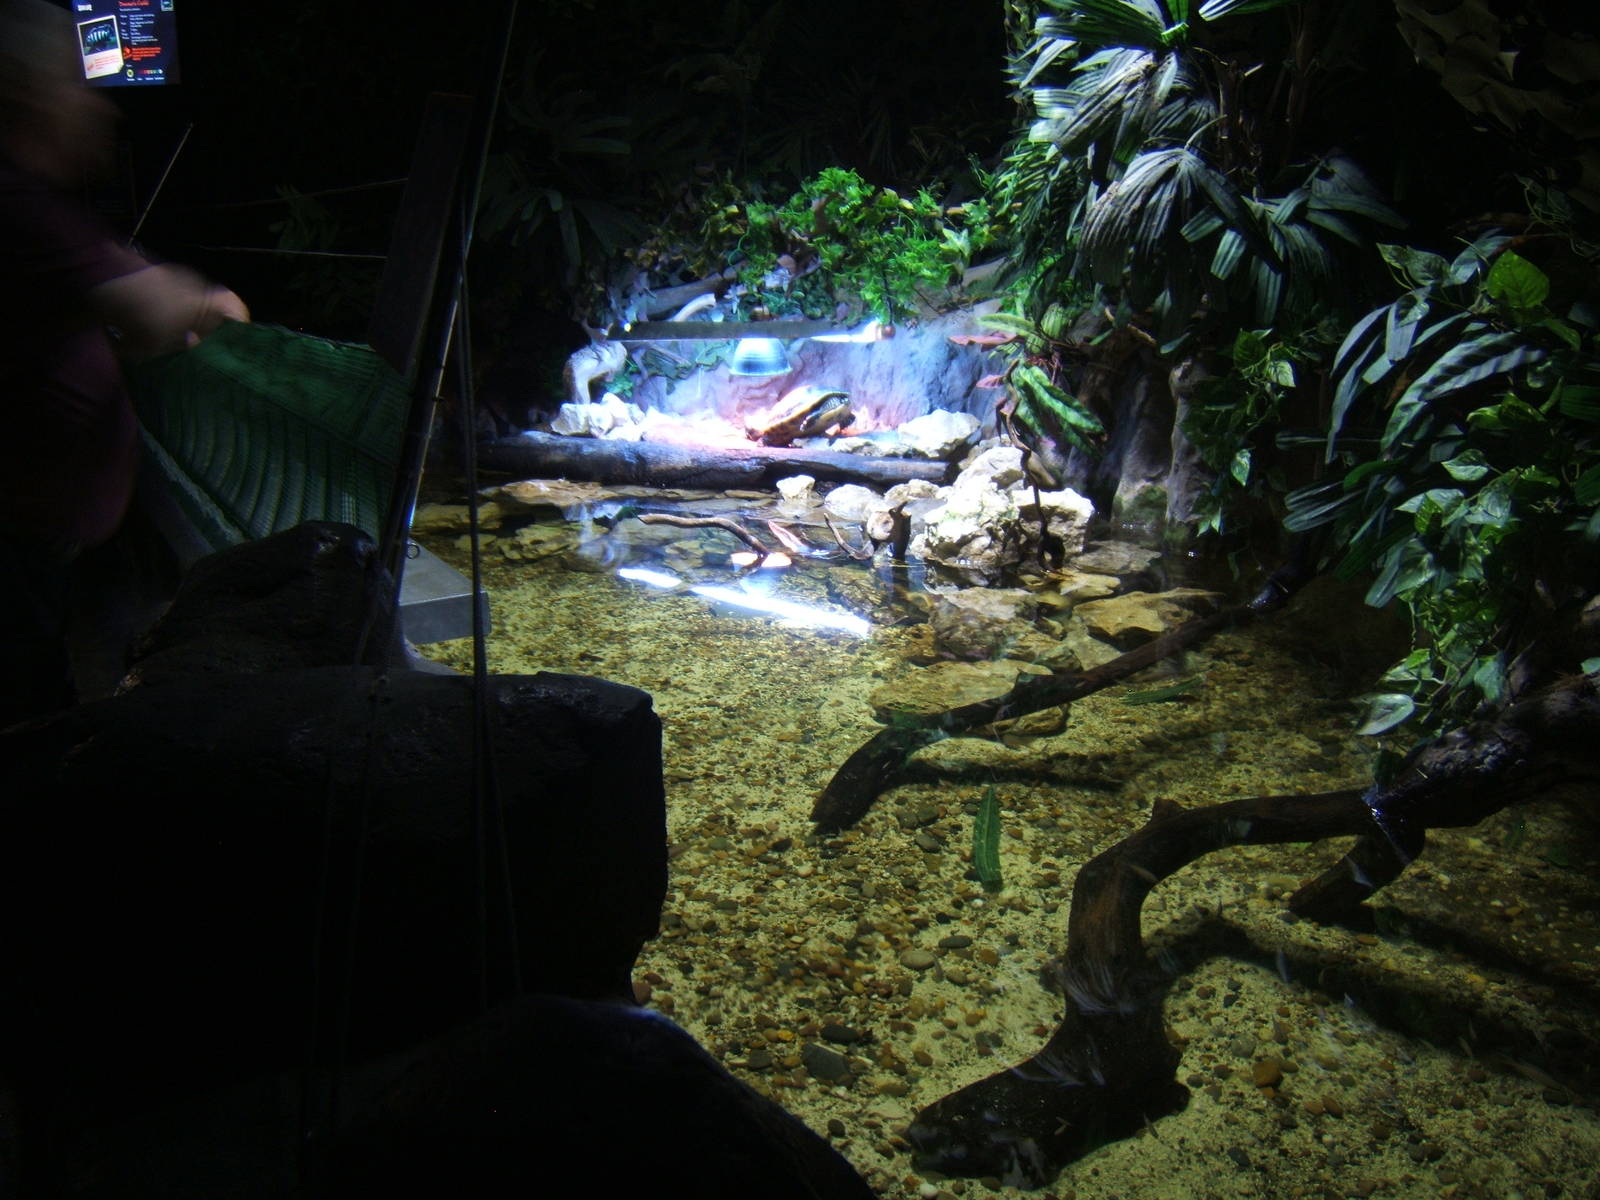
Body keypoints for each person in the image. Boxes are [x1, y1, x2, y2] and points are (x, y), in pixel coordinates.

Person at [0, 0, 250, 727]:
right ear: (27, 95)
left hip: (42, 546)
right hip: (17, 549)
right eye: (76, 86)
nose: (100, 108)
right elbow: (156, 311)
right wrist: (205, 299)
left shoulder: (37, 208)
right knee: (29, 717)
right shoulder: (19, 204)